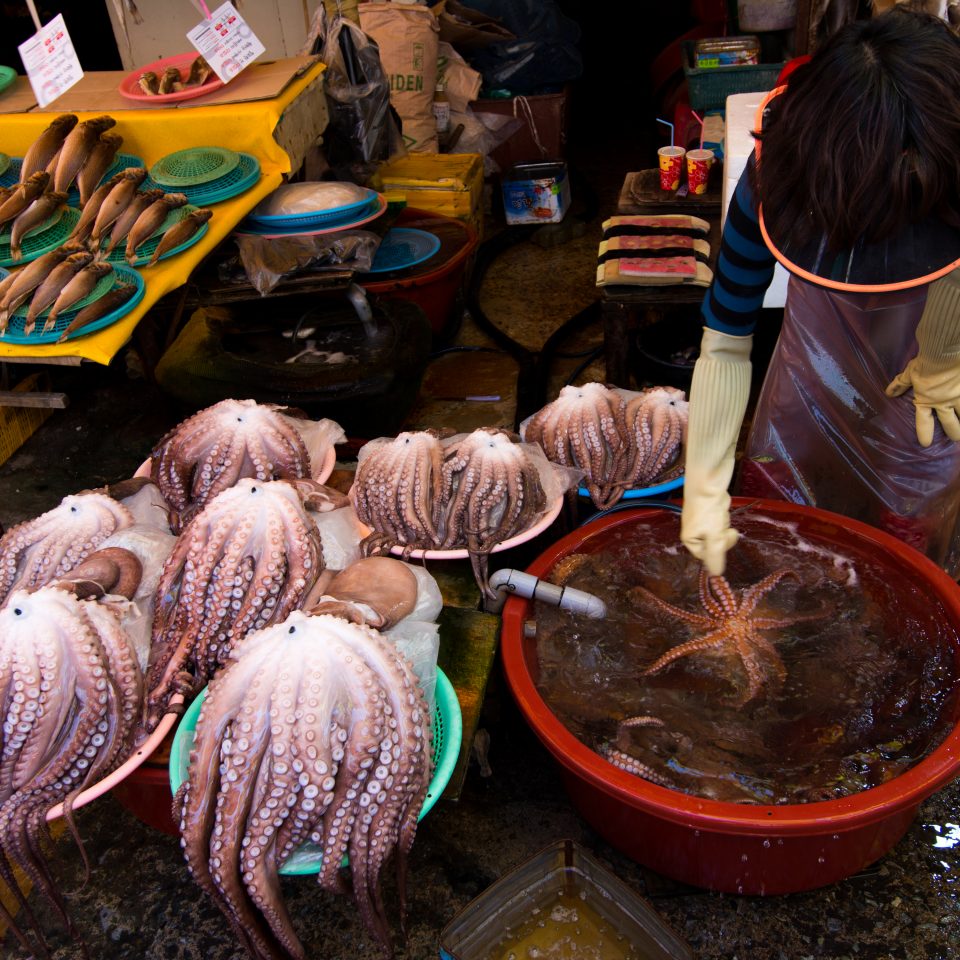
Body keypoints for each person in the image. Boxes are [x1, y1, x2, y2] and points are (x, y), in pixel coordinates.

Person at [681, 8, 960, 576]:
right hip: (815, 366)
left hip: (938, 390)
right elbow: (727, 336)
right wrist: (705, 484)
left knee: (916, 545)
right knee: (790, 526)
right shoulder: (776, 171)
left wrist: (945, 348)